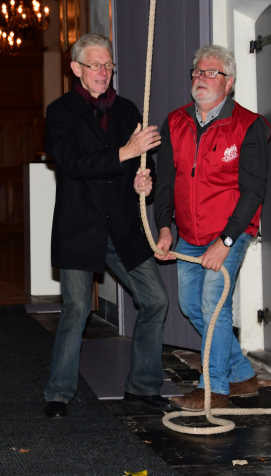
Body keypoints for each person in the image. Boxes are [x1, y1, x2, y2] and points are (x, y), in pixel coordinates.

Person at [43, 33, 171, 418]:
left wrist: (141, 182)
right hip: (80, 227)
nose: (102, 72)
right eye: (94, 65)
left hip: (122, 226)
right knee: (77, 308)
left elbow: (138, 168)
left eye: (108, 65)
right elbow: (73, 164)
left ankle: (143, 386)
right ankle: (58, 393)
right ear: (75, 69)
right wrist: (126, 153)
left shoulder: (129, 109)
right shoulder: (60, 111)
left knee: (156, 300)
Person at [154, 45, 270, 410]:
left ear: (229, 82)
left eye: (210, 73)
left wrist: (225, 241)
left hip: (231, 230)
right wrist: (164, 227)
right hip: (188, 233)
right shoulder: (175, 122)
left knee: (212, 304)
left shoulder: (249, 126)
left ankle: (214, 388)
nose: (200, 79)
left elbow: (253, 192)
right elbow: (165, 184)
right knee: (191, 305)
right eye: (196, 72)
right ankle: (241, 374)